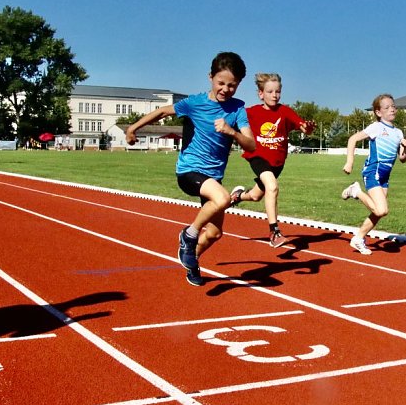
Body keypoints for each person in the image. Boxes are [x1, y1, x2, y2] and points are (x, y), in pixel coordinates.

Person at [125, 52, 255, 286]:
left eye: (232, 85)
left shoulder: (238, 109)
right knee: (223, 198)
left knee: (215, 233)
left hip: (213, 177)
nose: (226, 89)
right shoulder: (194, 103)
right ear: (210, 78)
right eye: (221, 83)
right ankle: (189, 234)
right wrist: (132, 128)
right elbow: (162, 112)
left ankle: (191, 260)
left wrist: (231, 132)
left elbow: (251, 144)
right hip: (189, 171)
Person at [229, 73, 315, 248]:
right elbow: (231, 123)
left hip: (277, 162)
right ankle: (274, 231)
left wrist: (308, 128)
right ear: (261, 94)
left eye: (277, 91)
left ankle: (238, 196)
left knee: (255, 196)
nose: (274, 95)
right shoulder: (251, 112)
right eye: (270, 92)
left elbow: (304, 128)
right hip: (257, 157)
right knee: (273, 186)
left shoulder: (285, 111)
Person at [341, 94, 406, 255]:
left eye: (393, 106)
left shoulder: (399, 133)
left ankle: (358, 238)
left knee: (378, 212)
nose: (391, 109)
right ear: (378, 112)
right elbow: (353, 139)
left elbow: (402, 159)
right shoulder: (377, 127)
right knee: (381, 210)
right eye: (386, 107)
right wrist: (349, 162)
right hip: (373, 171)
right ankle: (355, 191)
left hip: (385, 175)